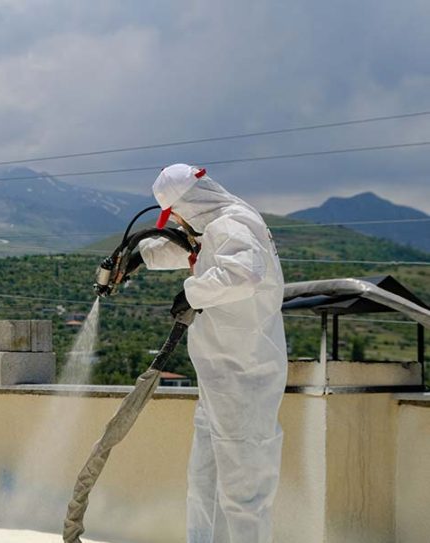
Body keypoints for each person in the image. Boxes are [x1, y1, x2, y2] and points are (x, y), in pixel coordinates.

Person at [133, 164, 288, 543]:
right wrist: (140, 256)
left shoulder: (232, 224)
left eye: (179, 215)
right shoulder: (219, 225)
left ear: (189, 206)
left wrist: (192, 293)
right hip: (220, 380)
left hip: (243, 378)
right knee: (204, 486)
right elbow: (195, 250)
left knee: (243, 494)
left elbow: (243, 274)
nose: (180, 223)